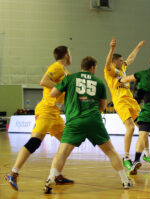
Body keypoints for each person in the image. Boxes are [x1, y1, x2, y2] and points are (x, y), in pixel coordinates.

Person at [43, 56, 131, 194]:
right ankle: (125, 180)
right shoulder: (99, 82)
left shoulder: (70, 78)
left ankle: (50, 179)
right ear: (92, 67)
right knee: (110, 151)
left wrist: (65, 89)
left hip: (74, 122)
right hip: (93, 120)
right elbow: (102, 106)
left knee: (62, 153)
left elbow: (54, 93)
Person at [4, 46, 73, 191]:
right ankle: (13, 173)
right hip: (46, 110)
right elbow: (44, 81)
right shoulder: (57, 67)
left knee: (68, 142)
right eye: (70, 53)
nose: (71, 55)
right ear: (66, 55)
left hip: (55, 113)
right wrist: (62, 88)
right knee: (35, 142)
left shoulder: (65, 71)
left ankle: (58, 174)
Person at [104, 38, 150, 171]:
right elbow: (107, 64)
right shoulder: (109, 70)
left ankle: (146, 154)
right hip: (120, 101)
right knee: (130, 128)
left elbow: (131, 58)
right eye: (120, 60)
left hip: (130, 100)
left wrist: (138, 47)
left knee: (144, 127)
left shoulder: (122, 68)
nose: (123, 62)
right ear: (114, 61)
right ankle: (126, 158)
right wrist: (111, 49)